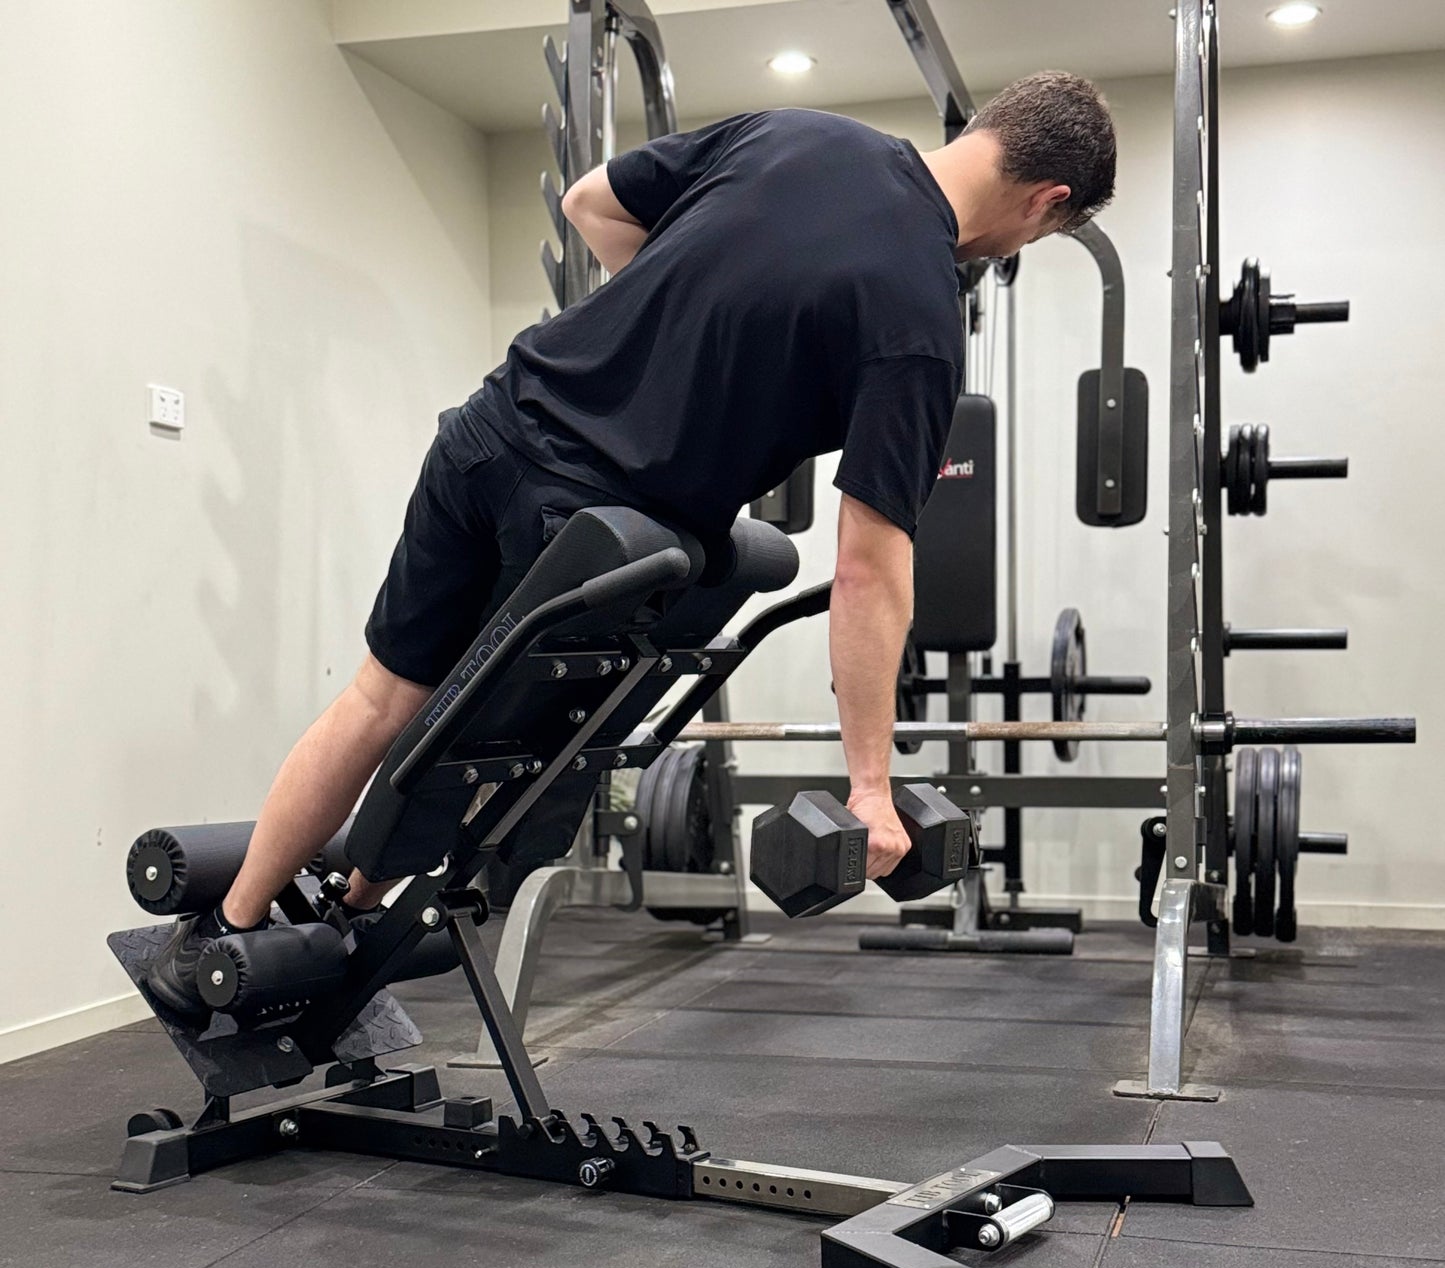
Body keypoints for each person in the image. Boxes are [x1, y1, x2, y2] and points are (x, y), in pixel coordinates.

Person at [147, 72, 1116, 1019]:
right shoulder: (917, 314)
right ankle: (343, 924)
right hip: (583, 521)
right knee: (483, 751)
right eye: (1039, 231)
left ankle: (230, 935)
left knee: (378, 697)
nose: (1017, 241)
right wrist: (869, 785)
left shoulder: (797, 133)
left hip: (489, 426)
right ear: (1046, 199)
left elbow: (588, 201)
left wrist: (670, 326)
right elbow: (870, 568)